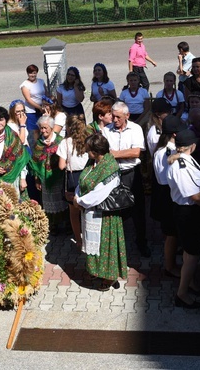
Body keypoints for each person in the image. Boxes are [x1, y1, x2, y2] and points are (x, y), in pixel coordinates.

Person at [167, 129, 200, 309]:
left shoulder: (184, 160)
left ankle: (191, 283)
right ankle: (182, 293)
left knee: (190, 252)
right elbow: (194, 195)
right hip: (189, 213)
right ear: (192, 146)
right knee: (193, 254)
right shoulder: (182, 166)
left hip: (191, 212)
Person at [75, 133, 127, 289]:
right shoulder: (93, 162)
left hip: (105, 215)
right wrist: (78, 194)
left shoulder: (110, 168)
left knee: (105, 245)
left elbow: (99, 194)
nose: (86, 152)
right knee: (93, 242)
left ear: (95, 151)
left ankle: (109, 276)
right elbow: (82, 180)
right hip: (90, 210)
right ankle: (97, 271)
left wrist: (80, 201)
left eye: (88, 150)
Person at [103, 101, 150, 257]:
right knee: (115, 208)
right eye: (113, 116)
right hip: (114, 174)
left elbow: (136, 152)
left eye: (118, 117)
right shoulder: (107, 130)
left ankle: (141, 241)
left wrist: (115, 154)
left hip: (132, 173)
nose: (114, 120)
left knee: (138, 209)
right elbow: (104, 153)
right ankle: (116, 242)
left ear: (127, 116)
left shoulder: (135, 129)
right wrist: (122, 153)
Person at [152, 116, 187, 278]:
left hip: (166, 193)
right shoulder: (166, 152)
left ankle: (171, 261)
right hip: (168, 194)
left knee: (171, 233)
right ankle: (170, 266)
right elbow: (166, 178)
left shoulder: (163, 149)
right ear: (174, 134)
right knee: (171, 234)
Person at [58, 114, 91, 248]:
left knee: (74, 212)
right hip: (88, 176)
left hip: (73, 178)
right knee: (88, 209)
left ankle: (78, 239)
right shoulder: (88, 141)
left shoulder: (65, 143)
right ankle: (90, 236)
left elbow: (61, 166)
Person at [30, 115, 68, 231]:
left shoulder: (60, 141)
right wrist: (37, 179)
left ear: (52, 128)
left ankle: (66, 225)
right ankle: (53, 225)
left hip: (59, 177)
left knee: (62, 200)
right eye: (41, 128)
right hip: (44, 178)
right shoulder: (38, 144)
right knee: (48, 202)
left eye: (46, 128)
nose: (43, 131)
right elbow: (34, 163)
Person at [20, 64, 46, 139]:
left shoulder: (41, 81)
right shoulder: (25, 85)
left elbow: (46, 93)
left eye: (34, 73)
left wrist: (45, 105)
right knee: (34, 131)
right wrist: (39, 107)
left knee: (44, 129)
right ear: (27, 73)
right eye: (30, 73)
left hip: (43, 110)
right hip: (31, 112)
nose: (32, 75)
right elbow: (28, 99)